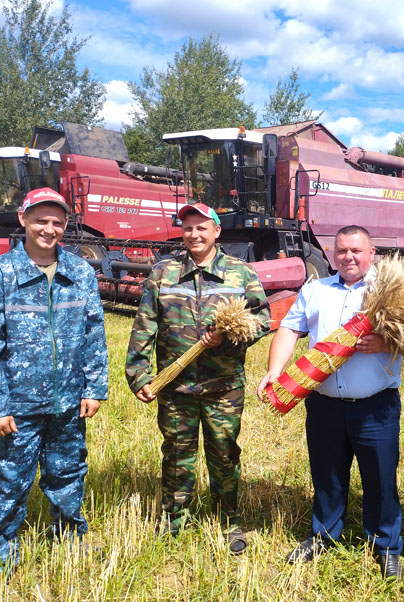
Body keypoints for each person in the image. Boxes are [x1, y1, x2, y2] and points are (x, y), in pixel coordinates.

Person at [0, 188, 108, 595]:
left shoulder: (80, 271)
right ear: (23, 220)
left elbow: (93, 331)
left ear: (65, 225)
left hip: (68, 401)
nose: (49, 229)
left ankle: (68, 540)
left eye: (57, 221)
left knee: (67, 473)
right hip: (17, 404)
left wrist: (94, 386)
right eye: (41, 220)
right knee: (8, 481)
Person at [257, 225, 404, 579]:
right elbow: (290, 329)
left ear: (372, 254)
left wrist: (388, 343)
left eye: (356, 250)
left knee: (381, 479)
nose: (349, 257)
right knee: (327, 475)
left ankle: (385, 546)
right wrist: (275, 370)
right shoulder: (315, 289)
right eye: (341, 251)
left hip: (375, 407)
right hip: (323, 405)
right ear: (331, 254)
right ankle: (323, 536)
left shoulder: (392, 293)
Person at [125, 202, 270, 553]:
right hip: (176, 388)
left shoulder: (240, 273)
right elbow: (145, 326)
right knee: (176, 454)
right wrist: (139, 374)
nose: (194, 234)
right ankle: (174, 520)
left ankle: (228, 522)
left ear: (216, 231)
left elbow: (263, 319)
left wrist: (232, 336)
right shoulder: (164, 273)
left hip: (224, 387)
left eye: (201, 227)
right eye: (188, 228)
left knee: (224, 453)